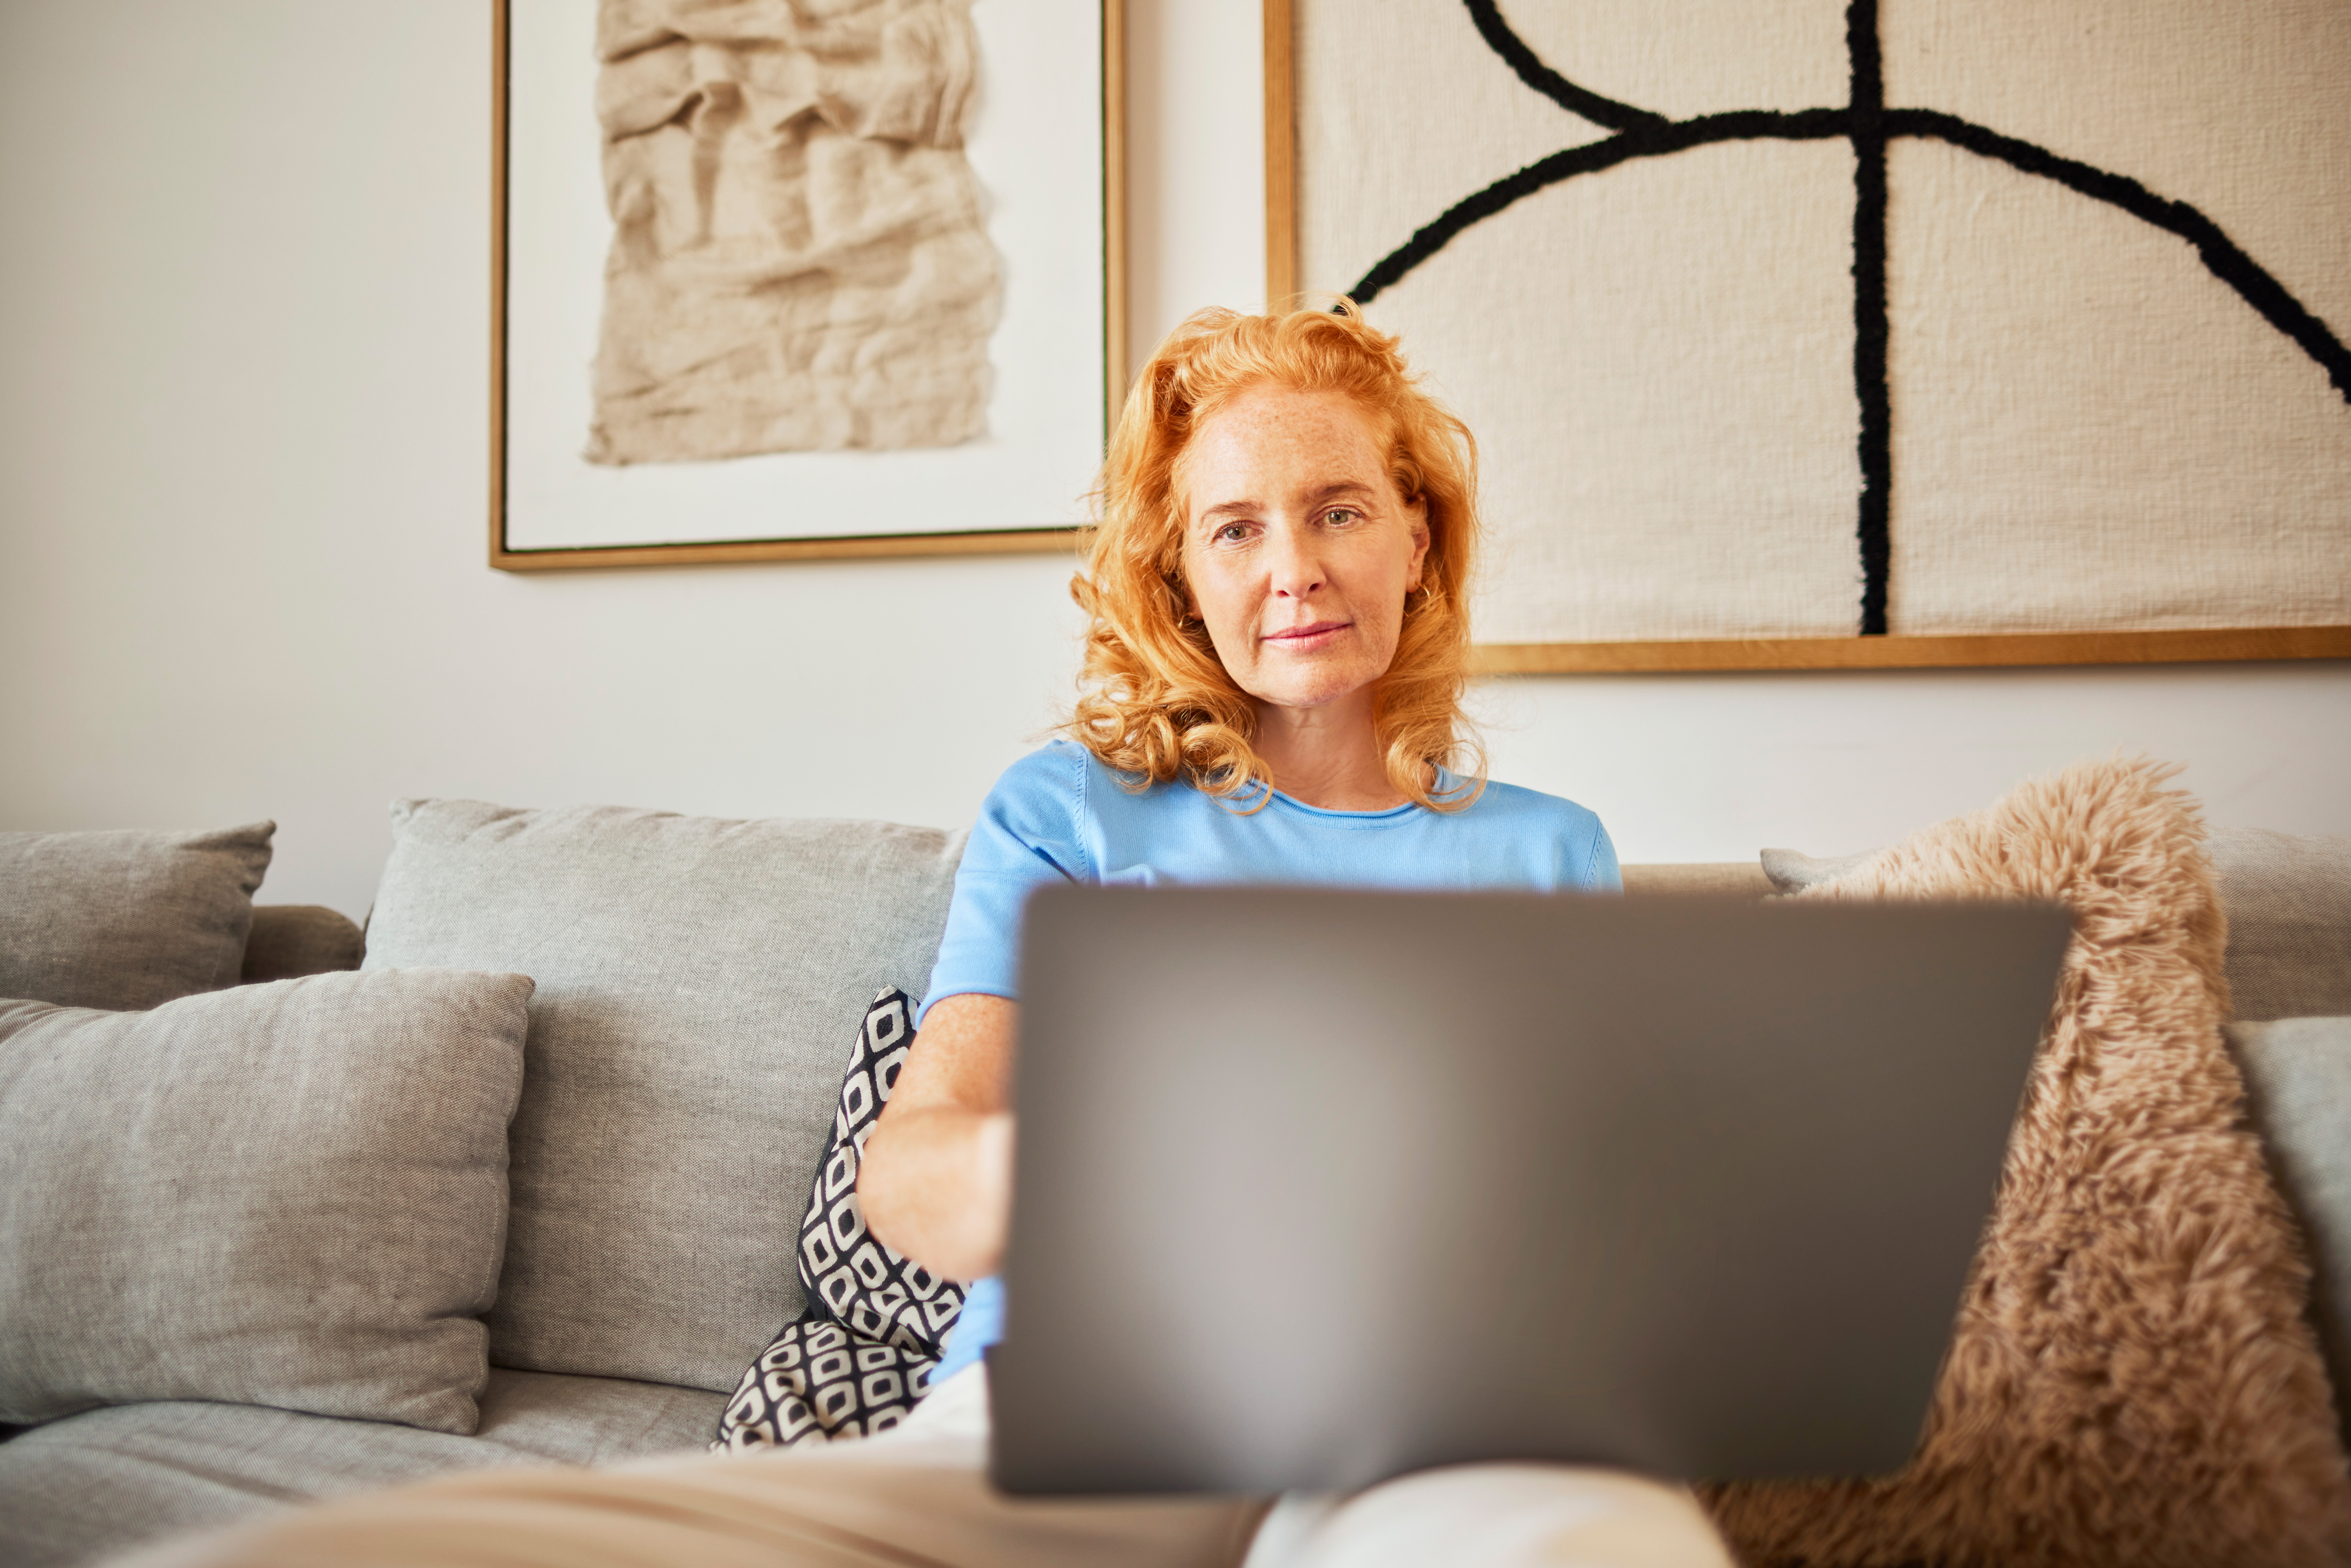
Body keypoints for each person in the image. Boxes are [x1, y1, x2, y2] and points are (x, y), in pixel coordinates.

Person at [127, 305, 1734, 1568]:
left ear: (1417, 539)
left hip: (1439, 1411)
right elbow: (913, 1175)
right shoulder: (1070, 812)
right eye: (1237, 528)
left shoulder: (1549, 853)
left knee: (1609, 1544)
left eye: (1339, 511)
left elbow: (1607, 1229)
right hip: (1095, 1395)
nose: (1295, 569)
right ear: (1182, 574)